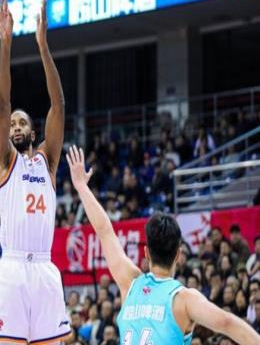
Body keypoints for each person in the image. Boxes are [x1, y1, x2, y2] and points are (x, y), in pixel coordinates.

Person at [65, 145, 260, 345]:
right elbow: (227, 322)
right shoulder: (184, 299)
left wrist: (81, 186)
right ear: (178, 254)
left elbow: (104, 230)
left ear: (146, 252)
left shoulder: (130, 284)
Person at [0, 0, 71, 344]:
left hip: (45, 269)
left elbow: (59, 104)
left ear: (33, 133)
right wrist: (5, 43)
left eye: (22, 123)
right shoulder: (4, 161)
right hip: (13, 267)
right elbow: (2, 103)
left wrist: (43, 45)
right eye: (12, 125)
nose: (16, 126)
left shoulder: (47, 161)